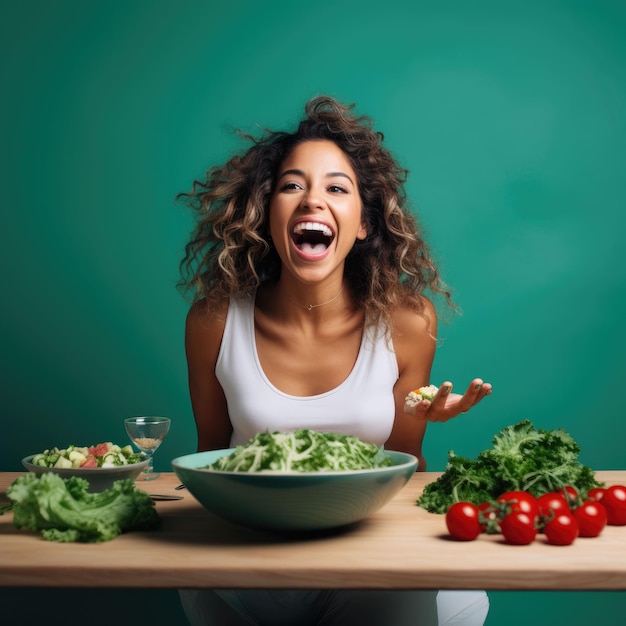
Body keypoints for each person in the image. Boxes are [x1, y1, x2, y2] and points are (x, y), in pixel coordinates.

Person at [177, 96, 492, 626]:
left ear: (364, 224)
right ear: (264, 211)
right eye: (292, 185)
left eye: (336, 188)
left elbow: (405, 469)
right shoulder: (213, 321)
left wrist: (419, 416)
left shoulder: (408, 323)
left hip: (368, 557)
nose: (311, 201)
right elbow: (210, 458)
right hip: (250, 562)